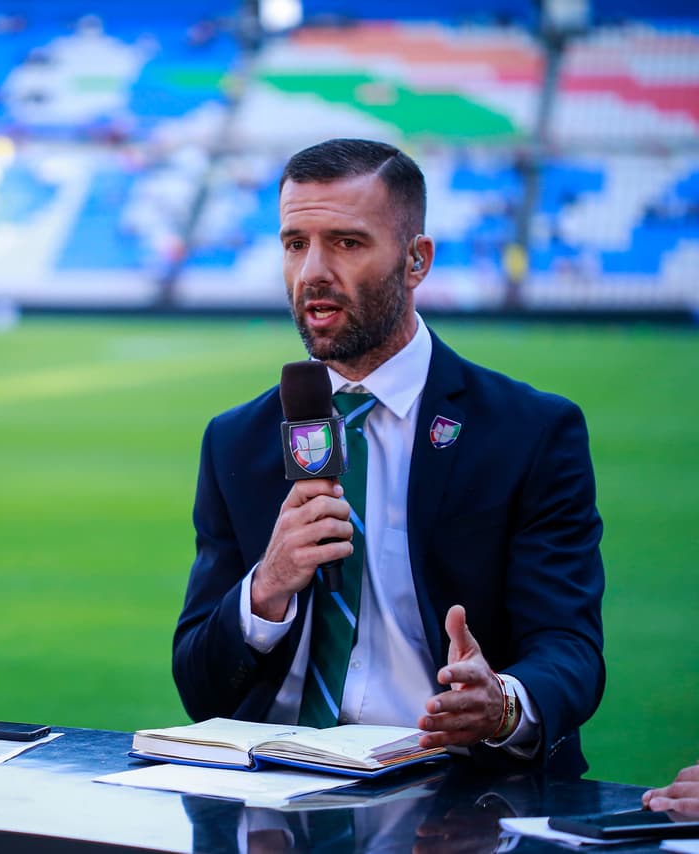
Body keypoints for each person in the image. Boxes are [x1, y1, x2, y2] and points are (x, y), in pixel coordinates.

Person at [172, 138, 604, 775]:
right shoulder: (237, 438)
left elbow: (569, 648)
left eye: (346, 242)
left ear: (416, 260)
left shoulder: (530, 431)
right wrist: (264, 591)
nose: (313, 271)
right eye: (296, 243)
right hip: (272, 788)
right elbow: (200, 688)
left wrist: (503, 706)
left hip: (451, 787)